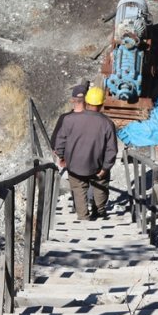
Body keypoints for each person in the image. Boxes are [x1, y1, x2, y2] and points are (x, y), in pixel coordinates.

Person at [54, 86, 117, 221]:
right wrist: (105, 168)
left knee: (78, 189)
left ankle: (83, 216)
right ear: (101, 104)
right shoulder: (107, 123)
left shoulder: (69, 119)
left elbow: (60, 141)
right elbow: (111, 150)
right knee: (101, 186)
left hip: (75, 166)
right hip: (98, 166)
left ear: (87, 102)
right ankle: (99, 212)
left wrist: (61, 156)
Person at [50, 83, 87, 151]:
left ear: (72, 100)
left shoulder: (64, 118)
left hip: (68, 158)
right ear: (87, 100)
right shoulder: (93, 120)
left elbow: (53, 143)